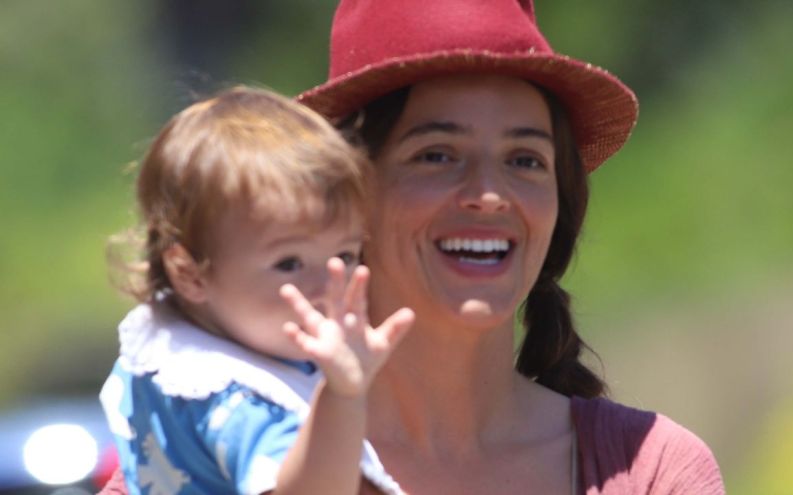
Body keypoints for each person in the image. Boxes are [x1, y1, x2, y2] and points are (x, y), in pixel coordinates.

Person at [100, 0, 725, 493]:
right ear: (345, 196)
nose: (489, 195)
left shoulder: (652, 472)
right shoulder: (193, 458)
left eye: (525, 160)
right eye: (436, 155)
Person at [99, 86, 414, 495]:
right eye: (289, 263)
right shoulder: (241, 401)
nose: (327, 287)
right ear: (190, 274)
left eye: (346, 255)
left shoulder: (164, 350)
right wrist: (342, 397)